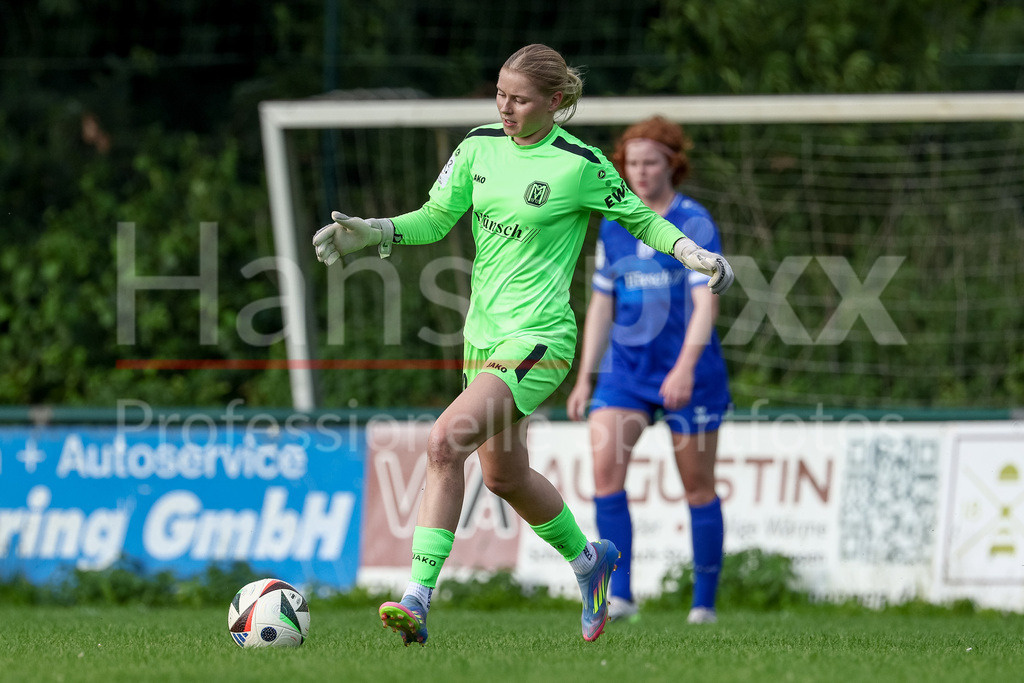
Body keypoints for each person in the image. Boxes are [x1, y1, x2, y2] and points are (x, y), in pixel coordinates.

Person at [312, 44, 734, 646]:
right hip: (482, 341)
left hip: (540, 338)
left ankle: (417, 600)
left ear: (555, 102)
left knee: (443, 442)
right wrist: (376, 232)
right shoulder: (477, 146)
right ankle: (590, 562)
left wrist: (690, 253)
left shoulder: (580, 165)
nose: (505, 108)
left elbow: (641, 219)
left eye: (520, 99)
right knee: (506, 477)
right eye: (500, 95)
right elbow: (435, 218)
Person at [566, 116, 731, 625]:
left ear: (671, 165)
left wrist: (684, 368)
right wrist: (585, 377)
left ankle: (703, 605)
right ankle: (621, 597)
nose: (639, 171)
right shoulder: (614, 222)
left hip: (689, 372)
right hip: (626, 371)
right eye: (631, 162)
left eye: (650, 162)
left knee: (697, 486)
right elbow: (602, 303)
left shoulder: (694, 222)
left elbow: (706, 304)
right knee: (605, 475)